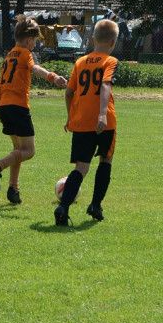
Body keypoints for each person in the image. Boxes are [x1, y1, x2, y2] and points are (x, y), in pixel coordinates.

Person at [0, 16, 67, 204]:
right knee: (29, 151)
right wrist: (53, 77)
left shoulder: (9, 55)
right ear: (29, 40)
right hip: (18, 106)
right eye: (35, 41)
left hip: (4, 106)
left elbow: (0, 84)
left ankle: (13, 189)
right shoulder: (24, 54)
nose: (35, 45)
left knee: (18, 150)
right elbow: (35, 69)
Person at [54, 19, 119, 226]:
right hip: (104, 122)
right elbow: (105, 85)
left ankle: (63, 207)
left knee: (81, 167)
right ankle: (95, 205)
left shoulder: (80, 62)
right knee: (106, 160)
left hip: (81, 121)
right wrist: (102, 114)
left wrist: (70, 117)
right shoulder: (110, 61)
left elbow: (68, 93)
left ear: (93, 39)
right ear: (113, 42)